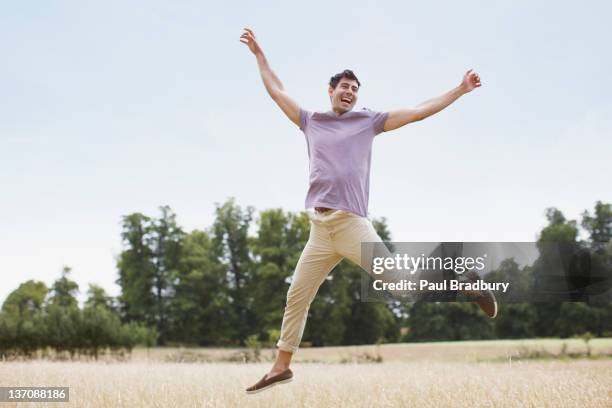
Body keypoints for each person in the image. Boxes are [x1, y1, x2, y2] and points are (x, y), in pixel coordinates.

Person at [239, 27, 496, 394]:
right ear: (330, 91)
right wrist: (260, 56)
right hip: (320, 229)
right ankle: (281, 367)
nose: (349, 92)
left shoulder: (369, 122)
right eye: (344, 86)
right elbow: (276, 90)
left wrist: (459, 89)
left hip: (351, 226)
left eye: (355, 88)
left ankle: (465, 283)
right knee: (297, 294)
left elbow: (419, 111)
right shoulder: (311, 120)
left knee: (404, 288)